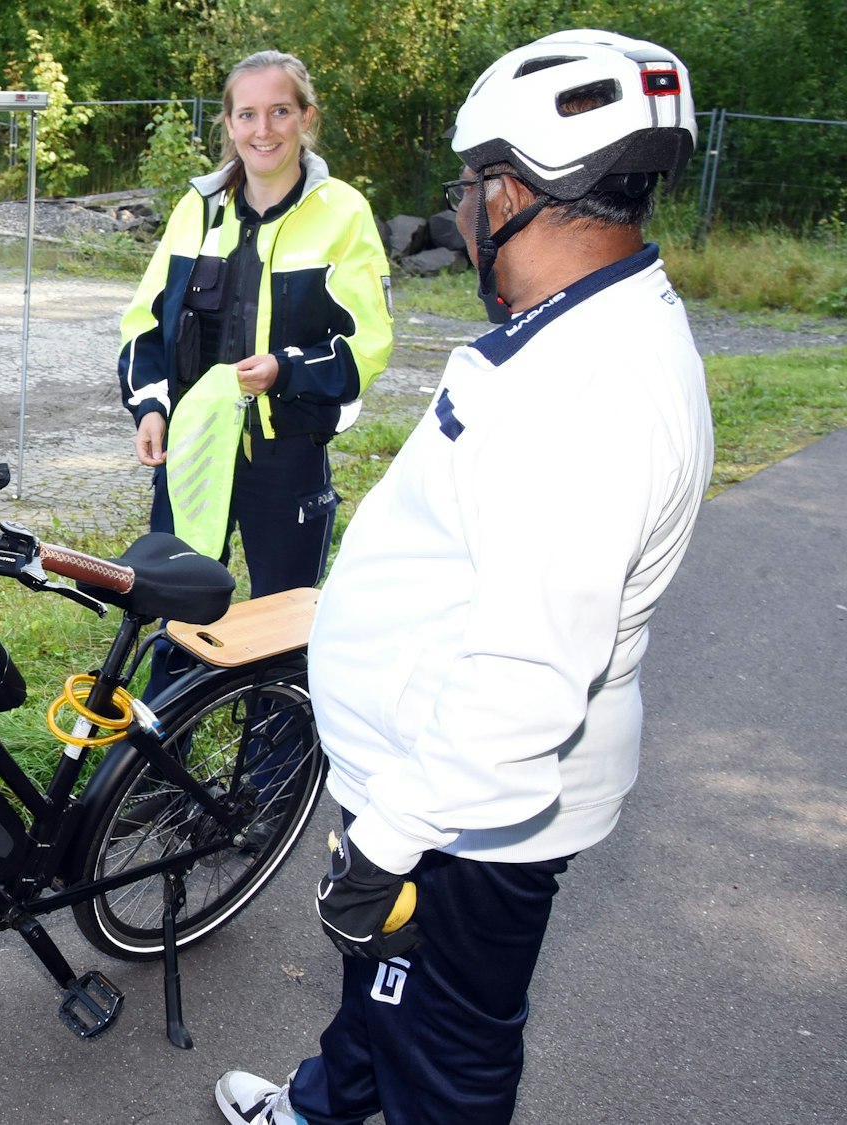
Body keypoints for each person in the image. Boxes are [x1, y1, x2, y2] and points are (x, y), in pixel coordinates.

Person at [214, 30, 712, 1125]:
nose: (462, 209)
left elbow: (526, 677)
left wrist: (386, 846)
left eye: (469, 183)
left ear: (516, 191)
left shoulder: (589, 396)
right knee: (380, 997)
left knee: (446, 1062)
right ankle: (323, 1108)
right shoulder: (572, 335)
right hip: (428, 784)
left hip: (460, 817)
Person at [117, 50, 392, 607]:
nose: (262, 131)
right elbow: (145, 322)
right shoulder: (197, 210)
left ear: (307, 118)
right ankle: (174, 698)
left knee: (283, 617)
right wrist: (150, 406)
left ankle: (274, 699)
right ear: (228, 123)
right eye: (247, 114)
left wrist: (285, 369)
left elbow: (368, 343)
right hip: (192, 445)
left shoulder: (343, 212)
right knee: (178, 605)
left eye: (280, 112)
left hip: (287, 448)